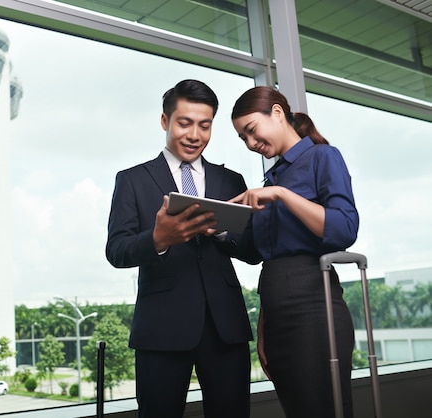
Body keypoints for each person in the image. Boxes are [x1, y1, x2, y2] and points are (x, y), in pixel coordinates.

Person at [106, 79, 260, 418]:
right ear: (165, 121)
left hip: (226, 326)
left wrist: (222, 230)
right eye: (185, 123)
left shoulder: (231, 181)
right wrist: (159, 238)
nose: (195, 135)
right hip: (161, 326)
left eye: (204, 125)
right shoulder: (132, 180)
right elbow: (116, 250)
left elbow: (254, 250)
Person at [229, 86, 359, 418]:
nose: (250, 143)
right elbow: (263, 256)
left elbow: (344, 229)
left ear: (276, 112)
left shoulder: (323, 157)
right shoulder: (273, 175)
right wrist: (263, 327)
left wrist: (282, 195)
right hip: (275, 309)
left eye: (251, 130)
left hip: (313, 305)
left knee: (325, 410)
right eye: (243, 138)